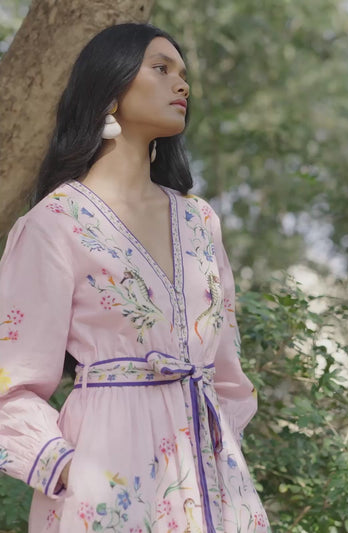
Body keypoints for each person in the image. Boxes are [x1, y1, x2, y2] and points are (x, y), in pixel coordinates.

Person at [0, 22, 271, 532]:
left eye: (183, 73)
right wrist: (66, 469)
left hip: (215, 490)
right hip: (106, 492)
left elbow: (228, 377)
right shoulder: (55, 224)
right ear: (110, 86)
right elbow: (9, 383)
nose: (181, 84)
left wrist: (220, 452)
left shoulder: (199, 221)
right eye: (161, 68)